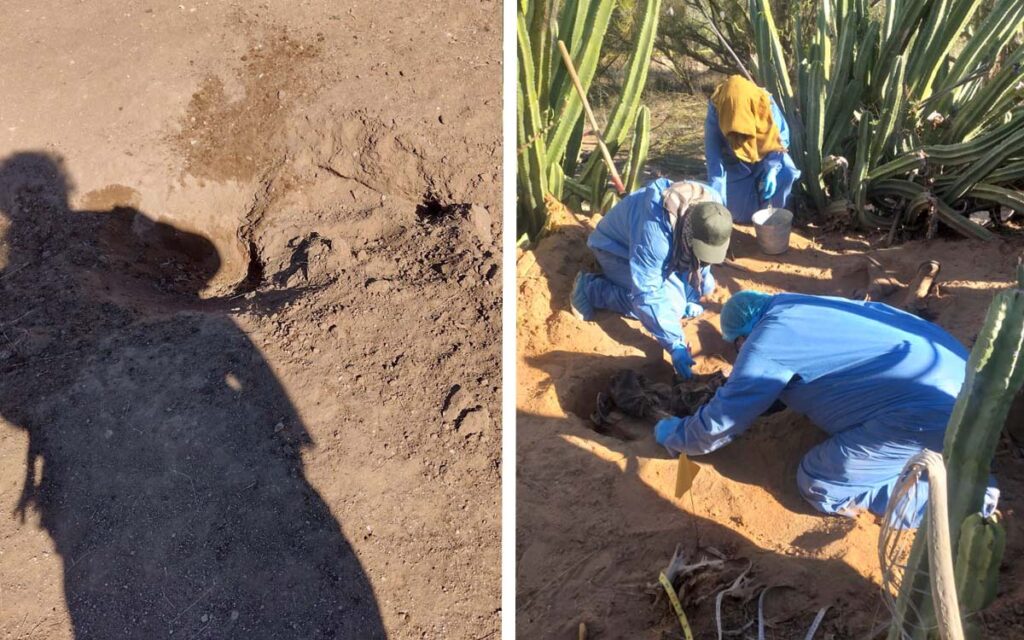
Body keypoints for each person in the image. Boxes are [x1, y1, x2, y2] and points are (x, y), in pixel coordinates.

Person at [653, 290, 999, 528]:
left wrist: (678, 435)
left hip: (930, 413)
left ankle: (967, 499)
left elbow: (721, 423)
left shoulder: (765, 345)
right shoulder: (799, 304)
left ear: (743, 339)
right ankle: (955, 455)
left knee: (819, 482)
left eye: (737, 349)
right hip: (970, 383)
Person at [571, 178, 733, 379]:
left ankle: (682, 298)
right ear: (689, 236)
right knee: (671, 307)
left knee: (704, 287)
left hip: (671, 249)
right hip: (616, 249)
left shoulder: (714, 208)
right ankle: (592, 290)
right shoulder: (654, 234)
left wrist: (694, 291)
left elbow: (702, 263)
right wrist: (675, 344)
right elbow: (647, 293)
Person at [705, 75, 801, 223]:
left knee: (786, 174)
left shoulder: (764, 104)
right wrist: (717, 199)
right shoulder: (717, 109)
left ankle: (776, 210)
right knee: (741, 215)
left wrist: (772, 171)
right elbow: (714, 159)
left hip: (767, 159)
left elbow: (780, 140)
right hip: (735, 164)